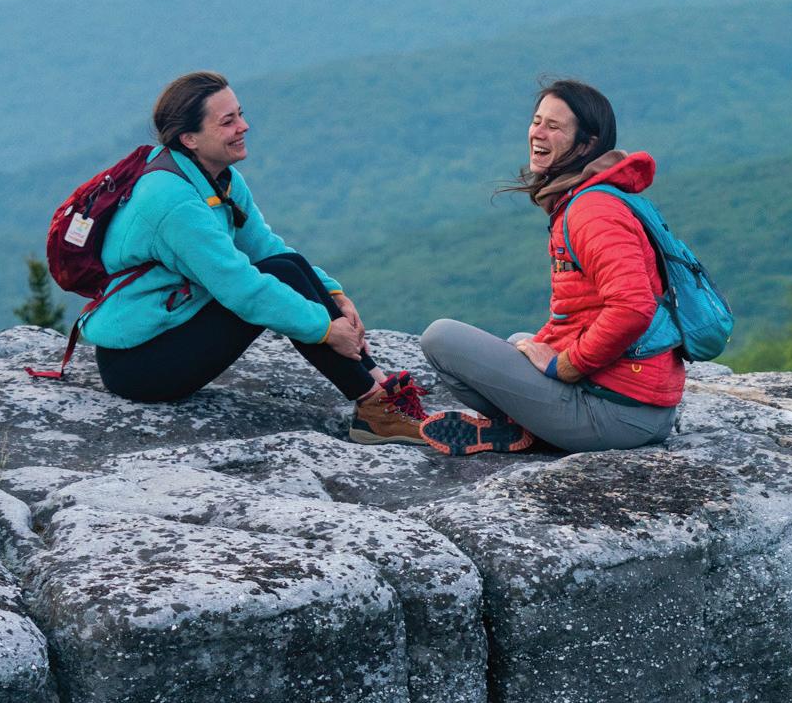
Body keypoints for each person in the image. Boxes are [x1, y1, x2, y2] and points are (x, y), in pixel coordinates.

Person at [88, 70, 526, 452]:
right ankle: (376, 409)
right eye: (228, 121)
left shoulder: (216, 177)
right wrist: (325, 328)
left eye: (240, 114)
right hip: (142, 363)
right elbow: (241, 289)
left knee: (286, 265)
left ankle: (380, 392)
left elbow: (268, 248)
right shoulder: (173, 202)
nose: (243, 126)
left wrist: (334, 295)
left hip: (175, 325)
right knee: (276, 279)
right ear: (189, 139)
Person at [420, 81, 684, 455]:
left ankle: (522, 431)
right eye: (537, 121)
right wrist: (547, 351)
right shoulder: (590, 198)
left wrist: (567, 366)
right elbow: (579, 313)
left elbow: (633, 308)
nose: (538, 133)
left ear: (587, 145)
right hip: (633, 403)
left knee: (441, 338)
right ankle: (521, 430)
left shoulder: (592, 211)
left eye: (554, 126)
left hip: (619, 415)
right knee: (521, 342)